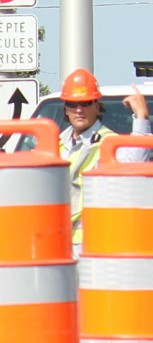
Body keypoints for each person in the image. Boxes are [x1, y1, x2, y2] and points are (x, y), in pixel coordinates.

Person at [59, 68, 153, 248]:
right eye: (73, 103)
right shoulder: (55, 144)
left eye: (86, 103)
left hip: (93, 240)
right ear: (66, 108)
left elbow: (135, 163)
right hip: (57, 239)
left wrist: (141, 117)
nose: (79, 109)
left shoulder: (109, 141)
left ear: (96, 105)